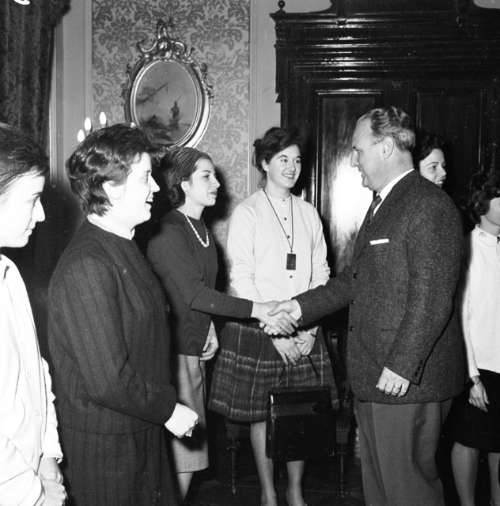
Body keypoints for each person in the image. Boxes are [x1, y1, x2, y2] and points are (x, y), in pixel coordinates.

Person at [272, 107, 465, 506]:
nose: (354, 159)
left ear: (386, 147)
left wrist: (402, 364)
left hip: (406, 382)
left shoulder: (427, 204)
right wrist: (297, 307)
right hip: (377, 375)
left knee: (408, 492)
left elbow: (432, 297)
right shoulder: (385, 203)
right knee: (381, 491)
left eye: (358, 149)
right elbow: (353, 281)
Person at [47, 124, 198, 506]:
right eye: (145, 177)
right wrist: (168, 410)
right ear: (112, 188)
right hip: (108, 453)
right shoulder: (88, 263)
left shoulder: (122, 245)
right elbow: (107, 381)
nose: (156, 188)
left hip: (137, 432)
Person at [146, 147, 297, 500]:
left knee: (189, 457)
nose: (217, 183)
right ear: (183, 184)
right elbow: (194, 295)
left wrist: (210, 327)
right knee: (183, 458)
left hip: (193, 349)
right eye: (206, 176)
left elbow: (201, 293)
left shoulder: (200, 229)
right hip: (173, 355)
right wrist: (259, 309)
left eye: (214, 175)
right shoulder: (170, 231)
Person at [209, 127, 336, 506]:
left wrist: (309, 327)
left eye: (297, 160)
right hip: (261, 329)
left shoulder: (309, 213)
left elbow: (322, 273)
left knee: (301, 413)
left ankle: (295, 492)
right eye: (283, 159)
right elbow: (240, 278)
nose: (292, 167)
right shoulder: (248, 212)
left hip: (304, 326)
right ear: (265, 163)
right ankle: (268, 494)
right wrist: (275, 332)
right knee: (262, 415)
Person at [0, 125, 66, 505]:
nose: (41, 215)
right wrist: (37, 494)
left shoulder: (9, 273)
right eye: (32, 199)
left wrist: (46, 453)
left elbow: (34, 371)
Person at [449, 171, 500, 506]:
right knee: (469, 440)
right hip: (478, 367)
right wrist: (472, 377)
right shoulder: (467, 247)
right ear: (482, 203)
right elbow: (462, 316)